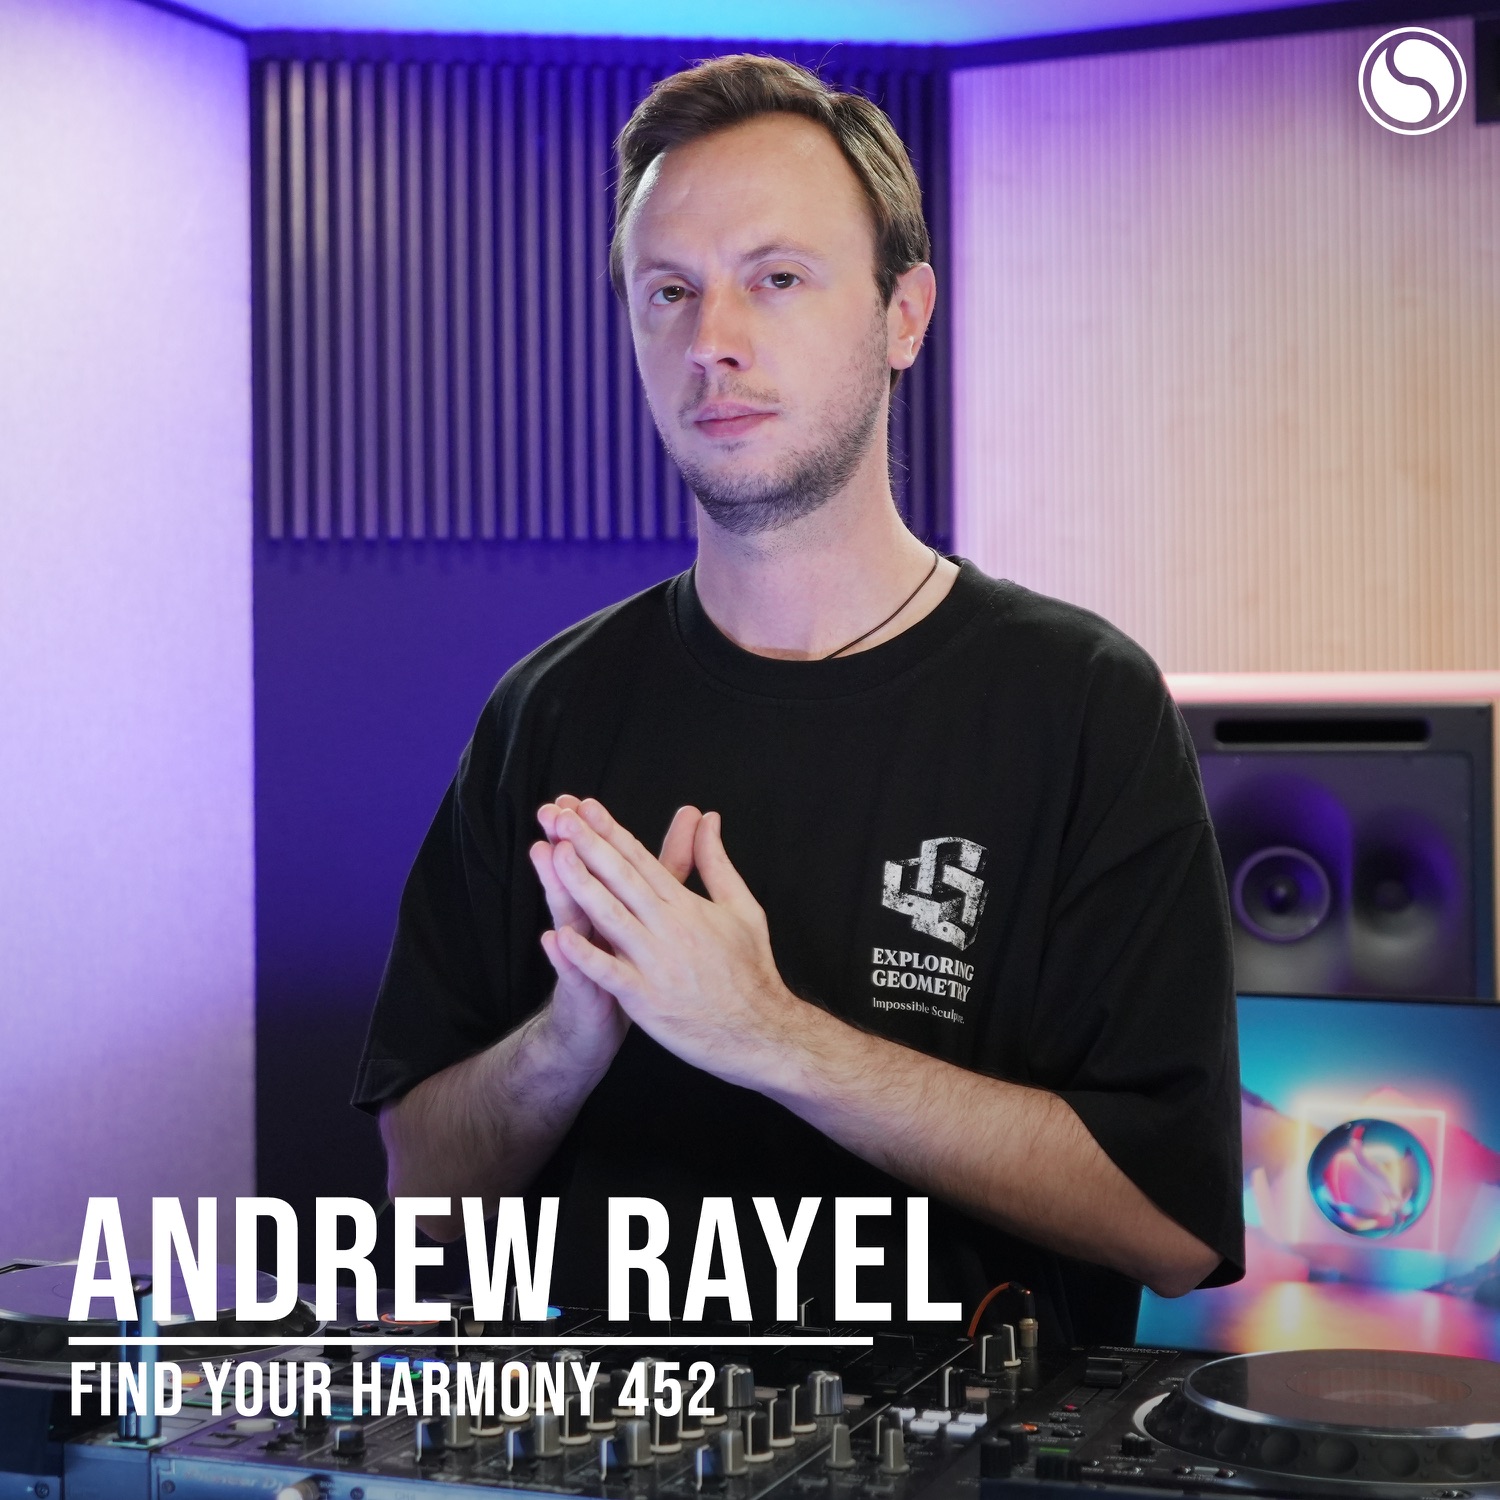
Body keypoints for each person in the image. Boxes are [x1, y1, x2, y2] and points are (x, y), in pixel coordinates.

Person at [353, 54, 1243, 1345]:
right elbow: (422, 1196)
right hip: (610, 1433)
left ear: (903, 315)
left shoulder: (1081, 704)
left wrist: (765, 1034)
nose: (712, 338)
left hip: (959, 1439)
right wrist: (573, 1030)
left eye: (776, 277)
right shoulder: (545, 709)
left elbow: (1170, 1226)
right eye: (669, 291)